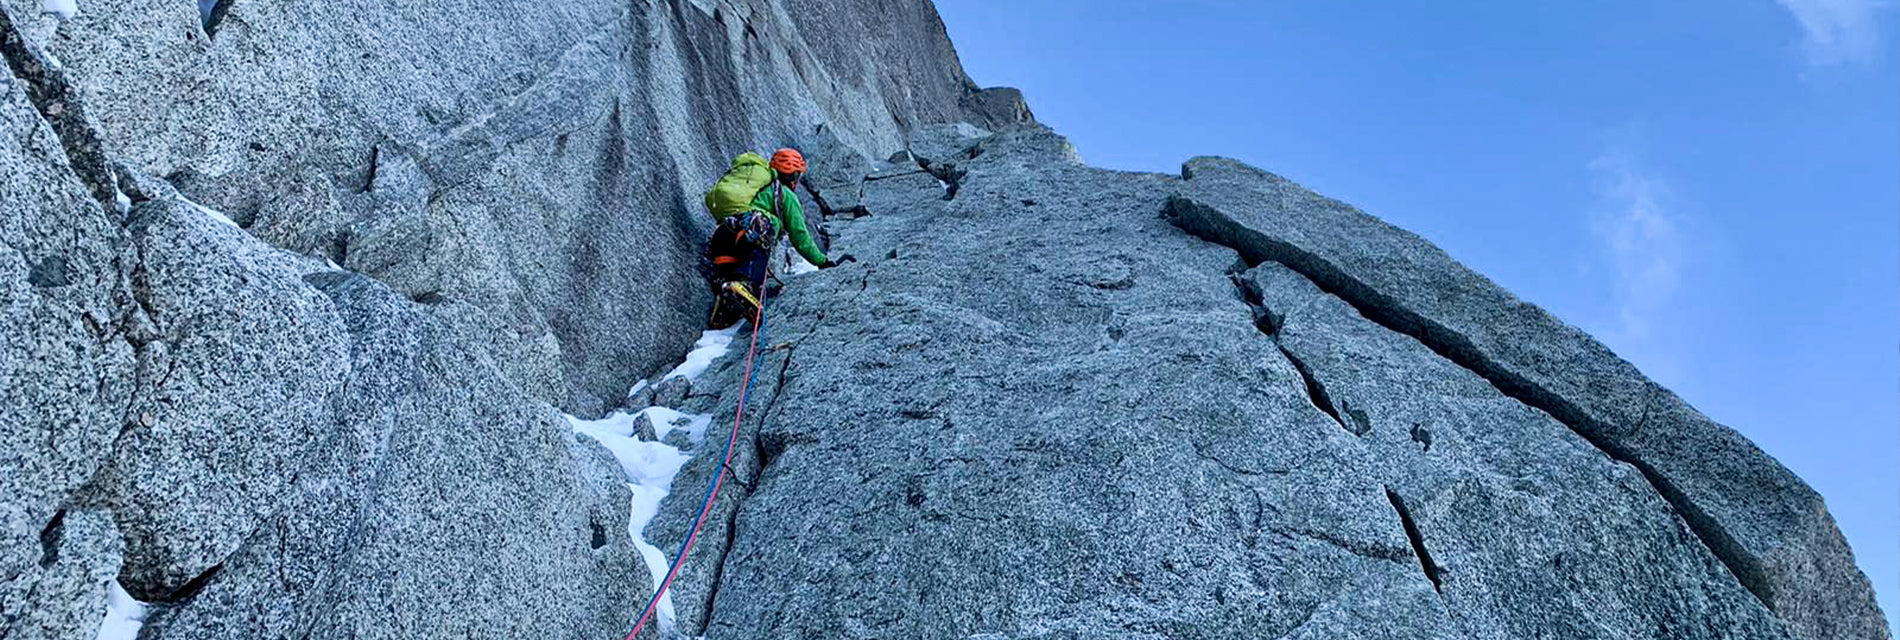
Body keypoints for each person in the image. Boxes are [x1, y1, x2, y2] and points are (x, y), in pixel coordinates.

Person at [704, 148, 854, 328]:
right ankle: (744, 285)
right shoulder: (786, 195)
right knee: (759, 249)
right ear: (794, 176)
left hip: (722, 235)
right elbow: (799, 235)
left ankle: (726, 309)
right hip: (750, 230)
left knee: (731, 276)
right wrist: (822, 262)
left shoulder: (757, 189)